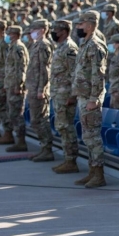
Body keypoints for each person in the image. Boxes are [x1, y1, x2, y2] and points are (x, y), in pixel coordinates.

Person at [72, 11, 108, 188]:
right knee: (87, 136)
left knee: (93, 138)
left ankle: (99, 174)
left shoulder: (94, 45)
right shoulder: (85, 43)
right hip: (84, 96)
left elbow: (98, 74)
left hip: (90, 99)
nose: (78, 27)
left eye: (81, 24)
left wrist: (95, 98)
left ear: (90, 24)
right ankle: (92, 171)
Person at [49, 20, 80, 172]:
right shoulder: (60, 47)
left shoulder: (69, 48)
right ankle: (68, 159)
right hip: (58, 93)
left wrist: (73, 95)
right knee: (61, 127)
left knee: (66, 127)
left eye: (56, 29)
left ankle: (71, 161)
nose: (53, 32)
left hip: (66, 95)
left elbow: (75, 73)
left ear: (63, 31)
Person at [26, 19, 55, 162]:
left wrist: (41, 89)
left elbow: (45, 69)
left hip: (39, 89)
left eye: (34, 30)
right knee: (35, 120)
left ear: (42, 30)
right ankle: (44, 148)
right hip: (33, 87)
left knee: (40, 120)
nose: (31, 33)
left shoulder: (44, 45)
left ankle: (47, 149)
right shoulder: (36, 45)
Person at [3, 26, 29, 152]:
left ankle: (21, 142)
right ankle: (17, 140)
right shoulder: (12, 47)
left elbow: (21, 68)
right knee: (12, 114)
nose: (7, 36)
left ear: (16, 34)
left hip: (16, 86)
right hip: (11, 84)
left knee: (17, 115)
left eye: (10, 33)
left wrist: (18, 85)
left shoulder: (19, 47)